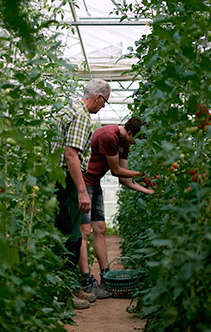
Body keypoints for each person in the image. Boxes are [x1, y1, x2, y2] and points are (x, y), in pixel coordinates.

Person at [51, 78, 111, 309]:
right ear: (97, 97)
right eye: (104, 102)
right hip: (65, 182)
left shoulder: (67, 108)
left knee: (66, 233)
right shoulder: (81, 115)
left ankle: (69, 287)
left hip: (55, 178)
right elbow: (71, 155)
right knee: (69, 237)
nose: (103, 106)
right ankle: (64, 292)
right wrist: (82, 191)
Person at [79, 117, 155, 297]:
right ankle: (86, 280)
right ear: (130, 132)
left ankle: (106, 275)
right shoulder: (109, 135)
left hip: (94, 183)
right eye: (138, 138)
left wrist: (148, 191)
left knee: (101, 228)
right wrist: (143, 174)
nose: (137, 143)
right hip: (83, 183)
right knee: (84, 232)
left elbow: (124, 179)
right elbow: (116, 171)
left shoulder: (124, 142)